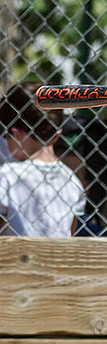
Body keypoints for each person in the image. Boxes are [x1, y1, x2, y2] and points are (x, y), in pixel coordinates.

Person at [0, 81, 85, 237]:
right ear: (57, 135)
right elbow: (70, 233)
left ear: (16, 134)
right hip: (56, 259)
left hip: (14, 259)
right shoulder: (72, 181)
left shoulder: (6, 176)